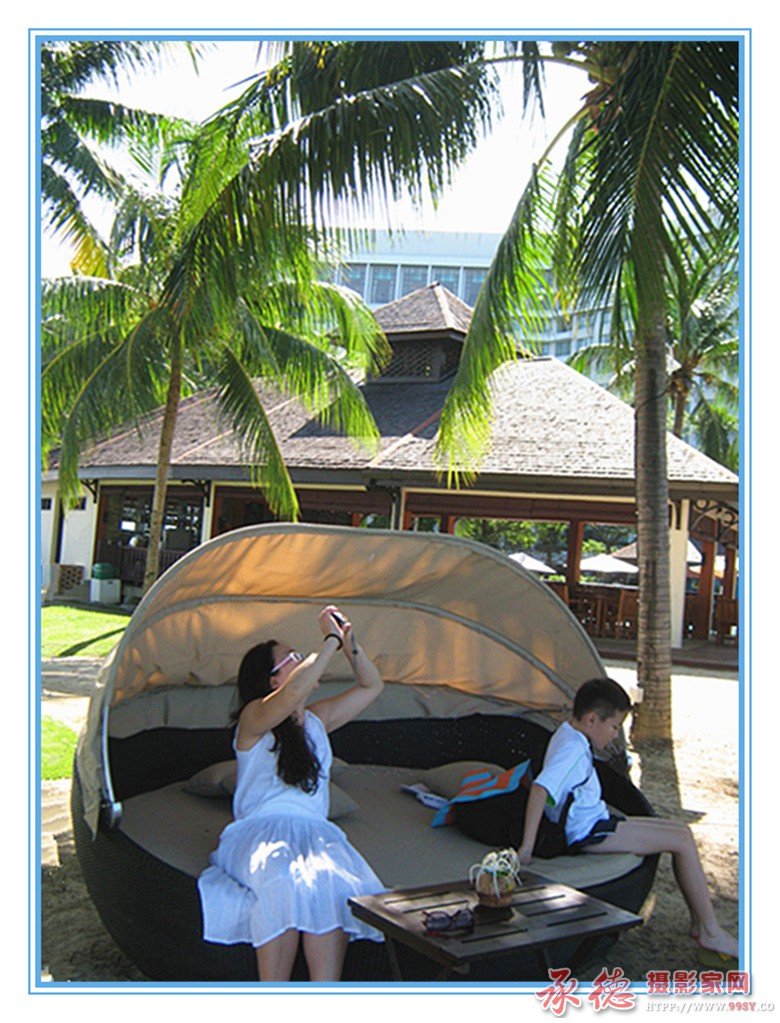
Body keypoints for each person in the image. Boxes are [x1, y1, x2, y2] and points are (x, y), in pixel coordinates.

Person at [197, 605, 386, 981]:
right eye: (293, 658)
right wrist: (329, 640)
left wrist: (350, 643)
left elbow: (372, 686)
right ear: (272, 681)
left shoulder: (317, 721)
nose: (303, 662)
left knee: (330, 882)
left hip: (316, 833)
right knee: (282, 879)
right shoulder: (254, 719)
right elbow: (295, 689)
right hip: (259, 832)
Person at [516, 676, 739, 964]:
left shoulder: (568, 733)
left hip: (596, 820)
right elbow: (541, 788)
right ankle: (710, 931)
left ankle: (701, 924)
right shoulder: (573, 750)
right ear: (591, 719)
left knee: (682, 832)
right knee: (681, 842)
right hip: (587, 832)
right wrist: (527, 847)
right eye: (614, 727)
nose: (614, 735)